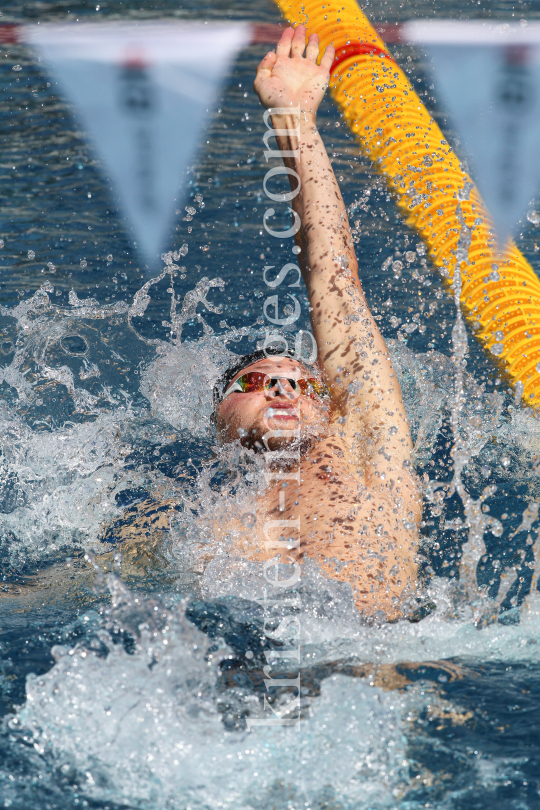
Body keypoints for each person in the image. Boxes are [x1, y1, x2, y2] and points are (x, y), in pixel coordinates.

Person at [102, 25, 421, 621]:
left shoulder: (369, 453)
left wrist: (295, 121)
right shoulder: (178, 516)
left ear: (333, 404)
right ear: (216, 419)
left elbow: (336, 281)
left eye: (302, 383)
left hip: (374, 666)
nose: (279, 388)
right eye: (252, 383)